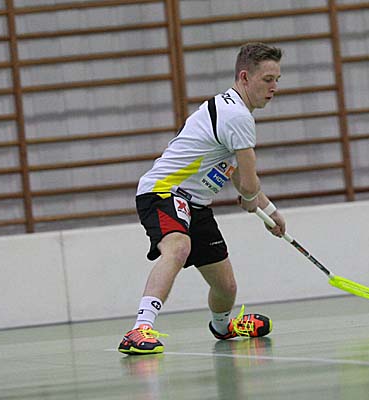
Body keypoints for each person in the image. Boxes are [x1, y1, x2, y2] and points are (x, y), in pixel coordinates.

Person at [118, 42, 286, 355]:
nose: (274, 87)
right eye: (267, 80)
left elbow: (237, 175)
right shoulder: (237, 116)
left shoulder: (231, 110)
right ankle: (139, 329)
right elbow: (248, 183)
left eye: (277, 79)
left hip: (195, 204)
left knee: (225, 286)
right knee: (178, 247)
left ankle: (223, 327)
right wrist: (251, 197)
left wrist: (268, 209)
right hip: (164, 192)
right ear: (245, 77)